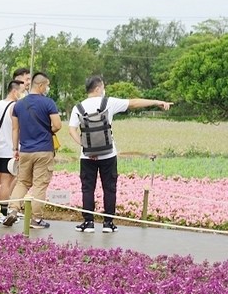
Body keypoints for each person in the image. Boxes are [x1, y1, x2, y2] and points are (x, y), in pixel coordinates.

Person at [68, 76, 172, 233]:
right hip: (108, 153)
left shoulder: (78, 107)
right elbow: (135, 103)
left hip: (87, 156)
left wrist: (85, 146)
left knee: (87, 188)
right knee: (109, 188)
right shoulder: (108, 102)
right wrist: (157, 102)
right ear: (97, 88)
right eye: (103, 87)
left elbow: (71, 130)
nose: (104, 90)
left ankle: (88, 223)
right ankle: (108, 224)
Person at [3, 72, 62, 229]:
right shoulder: (48, 103)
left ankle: (13, 210)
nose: (47, 88)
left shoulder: (19, 105)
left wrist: (15, 148)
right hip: (44, 150)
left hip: (25, 150)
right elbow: (57, 125)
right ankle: (35, 219)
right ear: (41, 85)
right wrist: (47, 130)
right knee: (39, 185)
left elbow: (15, 129)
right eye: (47, 85)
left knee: (22, 182)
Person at [0, 80, 23, 221]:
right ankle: (3, 211)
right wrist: (15, 148)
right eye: (21, 91)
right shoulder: (15, 106)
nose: (22, 94)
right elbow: (15, 128)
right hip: (9, 150)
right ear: (14, 91)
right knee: (6, 182)